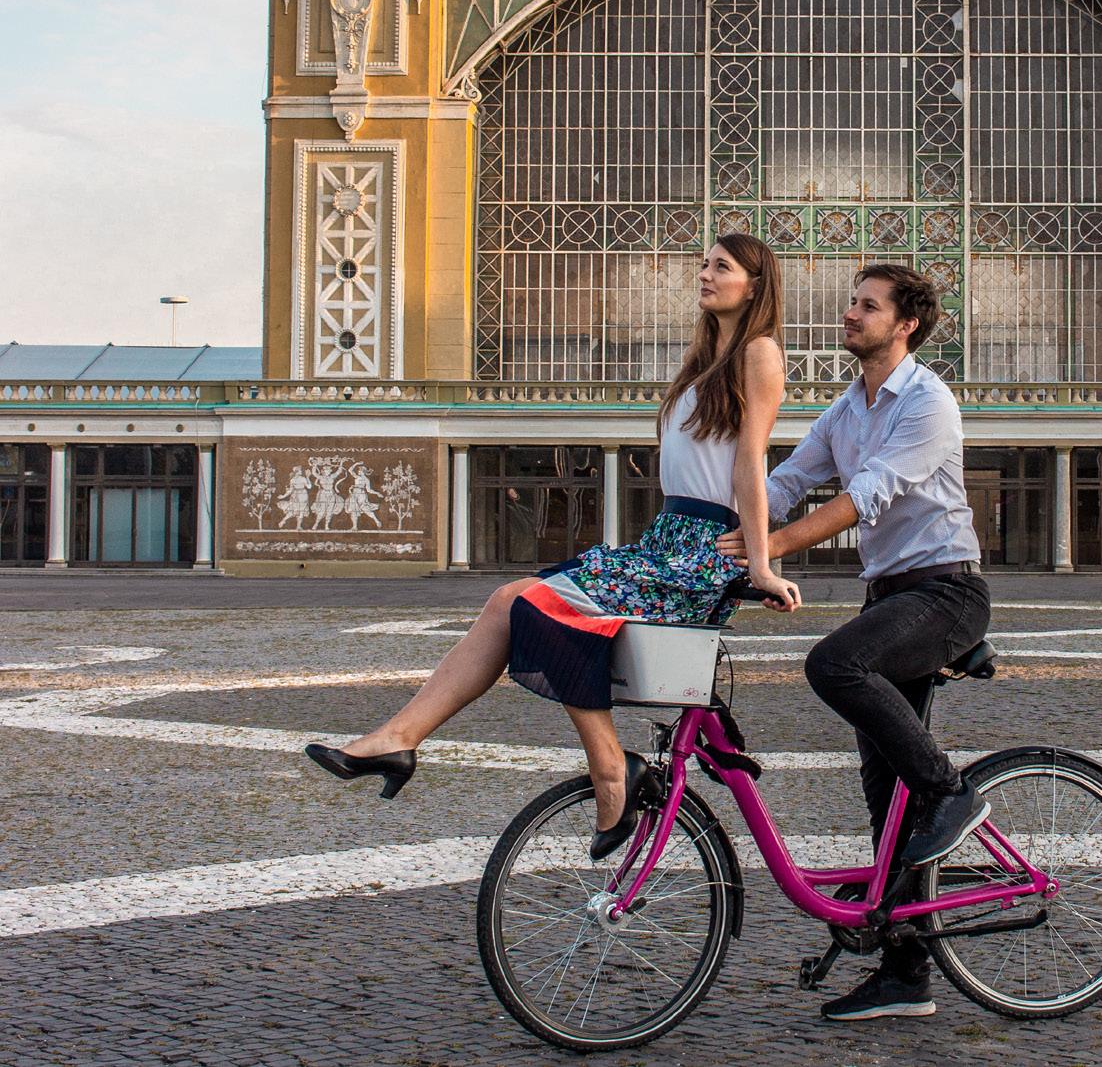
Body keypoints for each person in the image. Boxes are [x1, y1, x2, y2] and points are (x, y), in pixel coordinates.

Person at [306, 234, 800, 859]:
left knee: (534, 603)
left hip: (702, 552)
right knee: (506, 601)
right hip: (668, 539)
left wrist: (759, 564)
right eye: (702, 265)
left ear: (754, 285)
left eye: (720, 267)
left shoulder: (759, 353)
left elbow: (751, 466)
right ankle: (399, 739)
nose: (703, 275)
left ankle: (611, 769)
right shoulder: (703, 359)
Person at [718, 263, 989, 1024]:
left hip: (946, 592)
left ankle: (950, 789)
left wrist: (766, 554)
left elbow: (862, 496)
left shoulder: (927, 402)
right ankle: (907, 977)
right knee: (883, 799)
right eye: (851, 302)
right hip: (891, 595)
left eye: (866, 306)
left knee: (833, 663)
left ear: (904, 323)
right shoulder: (847, 405)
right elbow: (787, 480)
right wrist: (716, 527)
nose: (849, 313)